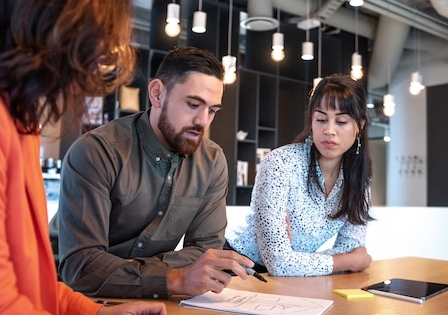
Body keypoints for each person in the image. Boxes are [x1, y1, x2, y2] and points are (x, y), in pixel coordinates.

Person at [0, 0, 167, 314]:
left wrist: (97, 313)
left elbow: (35, 284)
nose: (100, 56)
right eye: (96, 36)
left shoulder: (23, 122)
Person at [57, 46, 254, 299]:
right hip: (79, 297)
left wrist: (132, 272)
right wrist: (173, 277)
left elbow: (205, 252)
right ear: (157, 94)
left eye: (213, 110)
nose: (203, 121)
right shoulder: (97, 151)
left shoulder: (212, 161)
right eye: (193, 104)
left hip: (155, 299)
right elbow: (81, 266)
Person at [226, 74, 373, 276]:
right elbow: (279, 263)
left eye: (341, 121)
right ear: (311, 121)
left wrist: (296, 259)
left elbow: (351, 247)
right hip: (238, 269)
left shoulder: (359, 180)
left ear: (360, 125)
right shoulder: (280, 163)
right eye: (321, 119)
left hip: (296, 278)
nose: (329, 130)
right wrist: (346, 261)